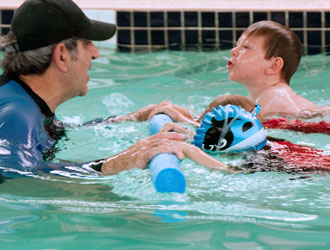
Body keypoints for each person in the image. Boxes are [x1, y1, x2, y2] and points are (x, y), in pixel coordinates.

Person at [0, 0, 229, 177]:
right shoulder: (17, 116)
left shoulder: (23, 103)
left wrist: (124, 119)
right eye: (87, 43)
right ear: (62, 55)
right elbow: (20, 178)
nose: (96, 53)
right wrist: (115, 164)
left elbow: (48, 132)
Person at [159, 96, 330, 174]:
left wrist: (189, 150)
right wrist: (186, 132)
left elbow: (229, 170)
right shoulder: (265, 142)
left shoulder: (265, 157)